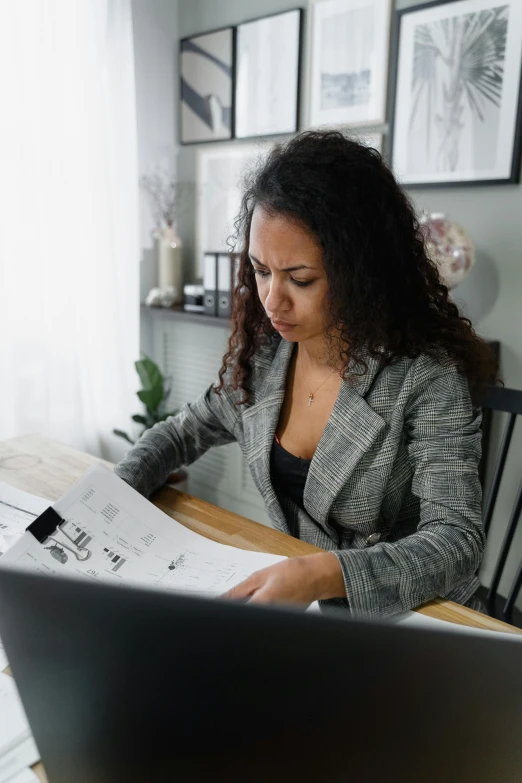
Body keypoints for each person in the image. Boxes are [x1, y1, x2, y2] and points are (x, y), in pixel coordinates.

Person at [115, 130, 497, 618]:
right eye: (259, 270)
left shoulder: (424, 376)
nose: (272, 300)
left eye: (300, 279)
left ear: (361, 271)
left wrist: (323, 574)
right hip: (307, 610)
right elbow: (181, 432)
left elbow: (456, 540)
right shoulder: (267, 354)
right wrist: (113, 497)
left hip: (413, 619)